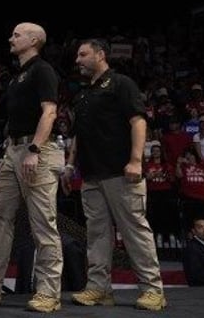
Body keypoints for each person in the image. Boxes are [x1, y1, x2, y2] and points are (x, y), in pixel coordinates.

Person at [62, 38, 166, 311]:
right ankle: (99, 289)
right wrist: (71, 165)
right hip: (91, 175)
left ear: (100, 54)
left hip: (121, 172)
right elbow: (78, 136)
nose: (78, 60)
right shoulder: (83, 94)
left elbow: (138, 121)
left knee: (134, 231)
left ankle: (153, 290)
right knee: (97, 235)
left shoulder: (121, 83)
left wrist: (135, 160)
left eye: (83, 54)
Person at [0, 22, 64, 313]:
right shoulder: (17, 77)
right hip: (13, 149)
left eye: (17, 34)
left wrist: (34, 149)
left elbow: (50, 112)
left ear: (34, 40)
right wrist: (11, 145)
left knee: (42, 222)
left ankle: (48, 293)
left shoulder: (43, 70)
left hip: (35, 150)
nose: (10, 37)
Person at [182, 218, 204, 286]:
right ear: (194, 231)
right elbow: (197, 274)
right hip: (203, 291)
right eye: (200, 227)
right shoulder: (191, 248)